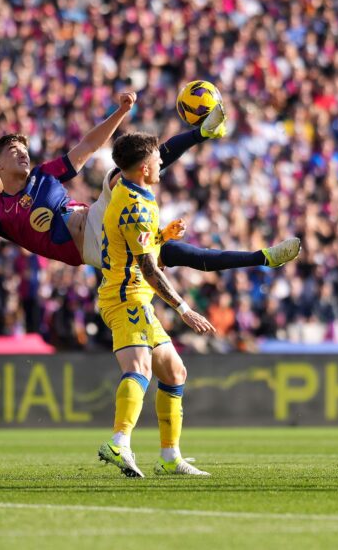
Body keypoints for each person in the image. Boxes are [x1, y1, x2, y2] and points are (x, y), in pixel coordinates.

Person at [0, 93, 300, 276]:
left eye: (23, 148)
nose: (22, 154)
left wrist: (121, 113)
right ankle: (263, 257)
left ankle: (202, 133)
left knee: (130, 179)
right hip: (90, 248)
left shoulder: (44, 175)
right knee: (164, 248)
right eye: (13, 150)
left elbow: (86, 147)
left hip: (99, 216)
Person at [95, 132, 216, 478]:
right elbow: (149, 268)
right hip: (126, 296)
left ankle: (169, 457)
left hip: (134, 294)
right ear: (145, 166)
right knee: (141, 368)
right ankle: (119, 441)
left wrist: (162, 236)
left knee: (174, 372)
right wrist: (183, 309)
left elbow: (137, 245)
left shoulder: (133, 191)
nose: (162, 161)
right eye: (157, 158)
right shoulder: (135, 205)